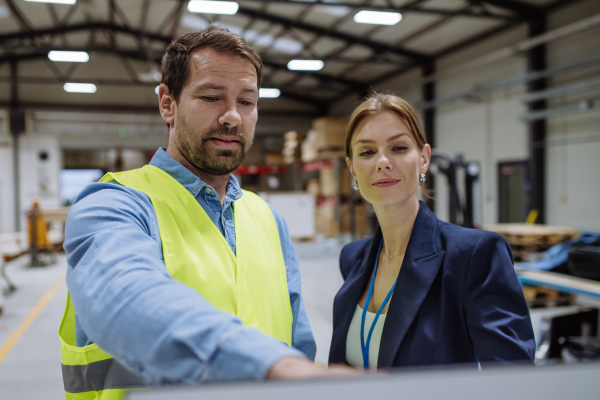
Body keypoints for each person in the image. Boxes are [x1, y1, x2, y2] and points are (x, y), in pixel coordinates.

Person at [59, 25, 351, 400]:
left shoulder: (268, 219)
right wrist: (273, 369)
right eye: (212, 97)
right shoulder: (114, 204)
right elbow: (124, 295)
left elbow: (297, 341)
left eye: (246, 102)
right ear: (168, 103)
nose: (232, 117)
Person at [328, 92, 535, 370]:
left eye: (399, 148)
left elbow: (514, 381)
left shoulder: (475, 256)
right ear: (352, 168)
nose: (382, 162)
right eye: (367, 152)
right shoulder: (353, 258)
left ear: (424, 159)